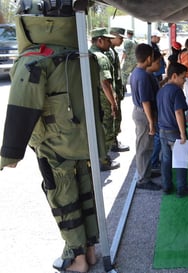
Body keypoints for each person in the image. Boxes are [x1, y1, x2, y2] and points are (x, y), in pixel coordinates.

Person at [0, 2, 106, 272]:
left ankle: (77, 259)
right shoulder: (84, 55)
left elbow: (22, 107)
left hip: (55, 147)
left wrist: (9, 154)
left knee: (63, 199)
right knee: (86, 194)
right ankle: (91, 251)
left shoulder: (34, 59)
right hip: (85, 143)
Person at [157, 62, 188, 198]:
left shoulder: (161, 90)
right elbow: (179, 113)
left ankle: (166, 186)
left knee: (166, 160)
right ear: (174, 76)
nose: (185, 81)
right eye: (183, 77)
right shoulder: (177, 91)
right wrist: (183, 133)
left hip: (162, 131)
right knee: (181, 161)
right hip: (174, 131)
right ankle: (181, 188)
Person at [130, 43, 162, 191]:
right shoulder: (142, 76)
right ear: (149, 58)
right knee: (143, 148)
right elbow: (145, 102)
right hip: (143, 114)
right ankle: (143, 179)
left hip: (142, 113)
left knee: (147, 146)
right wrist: (151, 123)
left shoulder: (138, 72)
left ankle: (147, 172)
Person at [89, 28, 121, 171]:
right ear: (100, 40)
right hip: (104, 101)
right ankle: (103, 160)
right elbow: (105, 83)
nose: (110, 42)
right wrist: (113, 104)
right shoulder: (101, 57)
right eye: (107, 40)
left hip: (93, 100)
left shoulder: (89, 54)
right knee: (107, 130)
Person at [107, 27, 130, 152]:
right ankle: (111, 144)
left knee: (116, 118)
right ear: (112, 36)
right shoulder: (108, 52)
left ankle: (114, 141)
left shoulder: (112, 51)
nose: (121, 41)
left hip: (116, 91)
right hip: (111, 93)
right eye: (120, 38)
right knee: (111, 119)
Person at [147, 50, 163, 172]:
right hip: (151, 114)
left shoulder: (151, 76)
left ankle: (153, 161)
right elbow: (145, 101)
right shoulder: (145, 76)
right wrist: (152, 121)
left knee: (156, 138)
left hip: (154, 112)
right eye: (158, 62)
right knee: (156, 138)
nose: (160, 65)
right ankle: (153, 162)